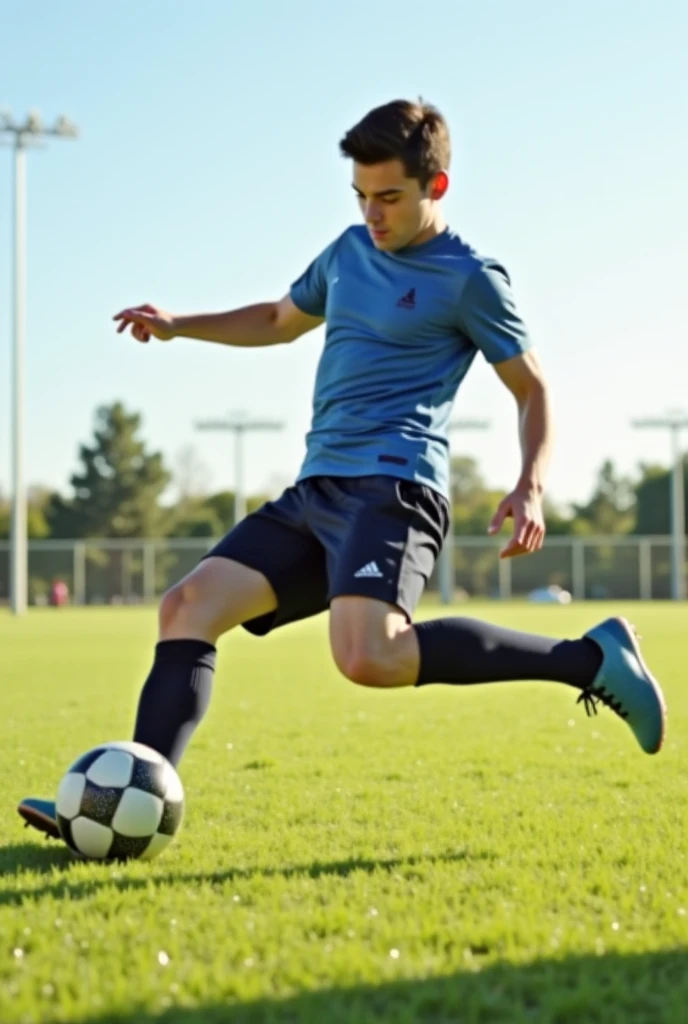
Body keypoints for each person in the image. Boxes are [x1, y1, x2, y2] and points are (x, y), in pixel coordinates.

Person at [18, 99, 665, 841]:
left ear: (437, 188)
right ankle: (127, 806)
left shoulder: (471, 278)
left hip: (394, 488)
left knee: (370, 656)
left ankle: (589, 659)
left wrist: (530, 484)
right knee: (186, 607)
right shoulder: (347, 253)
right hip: (316, 488)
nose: (373, 214)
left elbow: (533, 387)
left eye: (389, 197)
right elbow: (275, 321)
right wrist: (177, 325)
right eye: (360, 196)